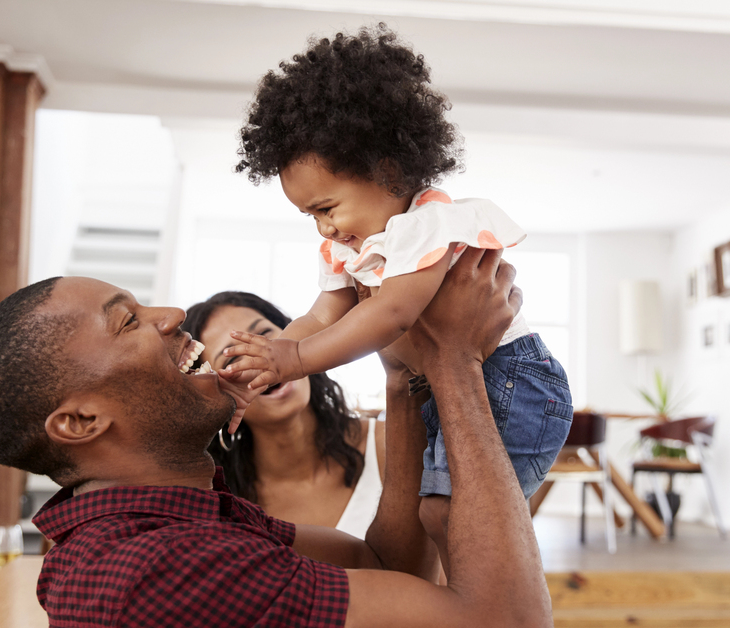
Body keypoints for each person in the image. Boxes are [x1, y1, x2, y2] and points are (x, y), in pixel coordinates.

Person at [0, 247, 555, 628]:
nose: (171, 317)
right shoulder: (163, 574)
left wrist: (403, 372)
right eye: (129, 322)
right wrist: (455, 359)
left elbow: (382, 565)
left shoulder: (183, 521)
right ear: (81, 421)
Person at [228, 25, 573, 568]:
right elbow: (323, 314)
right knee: (436, 514)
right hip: (447, 383)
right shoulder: (353, 249)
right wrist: (265, 369)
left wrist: (293, 358)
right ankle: (467, 613)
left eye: (326, 208)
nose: (323, 229)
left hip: (514, 381)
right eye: (310, 217)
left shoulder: (428, 225)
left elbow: (392, 315)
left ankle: (490, 616)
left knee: (461, 518)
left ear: (387, 171)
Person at [183, 291, 385, 538]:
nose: (261, 359)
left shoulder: (389, 443)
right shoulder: (224, 508)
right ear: (215, 400)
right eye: (233, 360)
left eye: (265, 336)